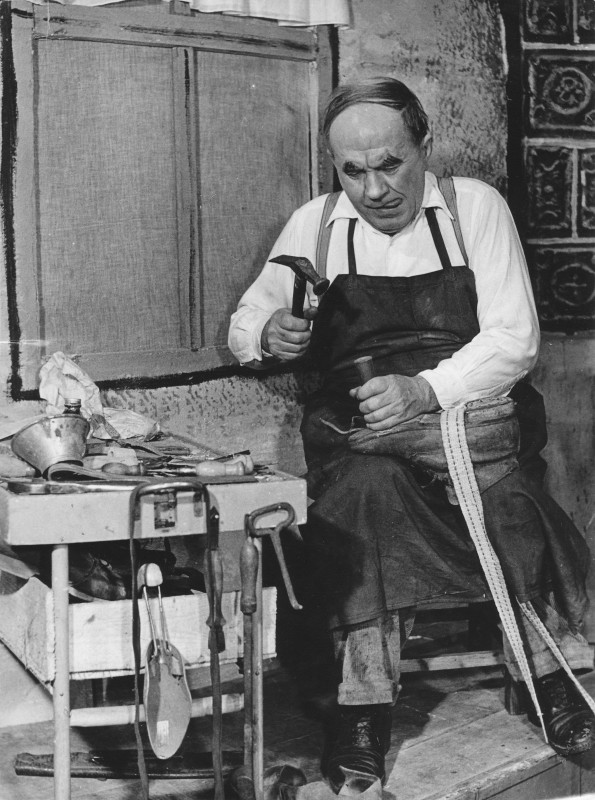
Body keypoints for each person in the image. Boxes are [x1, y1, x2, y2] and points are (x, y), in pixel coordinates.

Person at [228, 77, 595, 792]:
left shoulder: (472, 208)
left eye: (390, 164)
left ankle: (551, 674)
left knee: (510, 503)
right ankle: (361, 710)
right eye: (352, 171)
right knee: (365, 497)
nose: (374, 189)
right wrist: (268, 331)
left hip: (467, 416)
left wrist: (424, 391)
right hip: (361, 430)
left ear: (424, 145)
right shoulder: (316, 225)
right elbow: (248, 321)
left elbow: (514, 339)